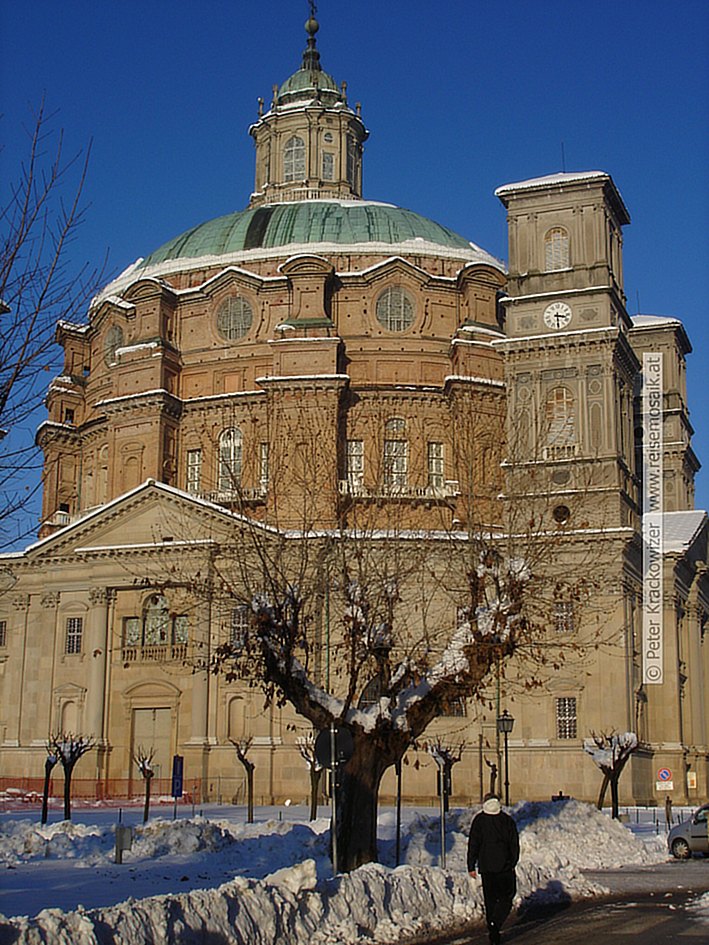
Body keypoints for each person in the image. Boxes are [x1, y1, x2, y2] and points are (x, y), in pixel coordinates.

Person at [467, 793, 519, 945]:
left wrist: (471, 865)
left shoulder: (479, 820)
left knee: (490, 900)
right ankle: (496, 922)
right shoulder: (506, 820)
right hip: (504, 867)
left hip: (486, 867)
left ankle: (493, 932)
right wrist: (512, 862)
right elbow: (514, 844)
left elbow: (473, 844)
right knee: (507, 897)